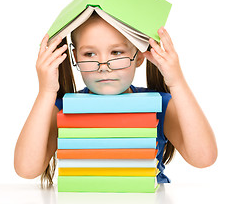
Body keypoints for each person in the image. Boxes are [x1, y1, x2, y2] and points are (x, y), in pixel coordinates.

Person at [14, 12, 217, 188]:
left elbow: (204, 158)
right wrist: (46, 92)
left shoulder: (159, 105)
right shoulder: (63, 109)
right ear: (74, 56)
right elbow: (26, 169)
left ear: (138, 56)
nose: (104, 66)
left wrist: (177, 82)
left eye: (117, 52)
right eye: (90, 53)